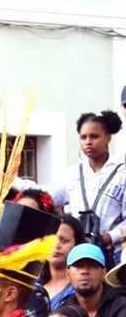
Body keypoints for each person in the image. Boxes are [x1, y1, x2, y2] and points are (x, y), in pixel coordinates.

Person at [52, 111, 125, 263]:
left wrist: (109, 238)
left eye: (94, 136)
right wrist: (10, 180)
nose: (88, 142)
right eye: (83, 137)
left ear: (108, 138)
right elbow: (48, 196)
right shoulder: (72, 173)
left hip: (113, 253)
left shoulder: (122, 173)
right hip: (78, 252)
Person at [43, 216, 84, 312]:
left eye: (63, 240)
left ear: (77, 245)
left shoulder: (82, 287)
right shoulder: (33, 287)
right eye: (51, 240)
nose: (56, 245)